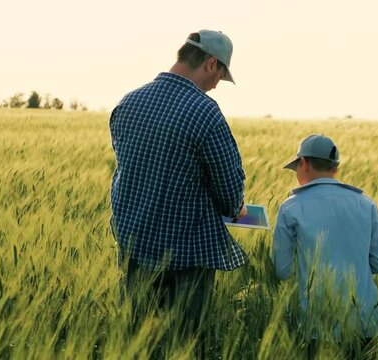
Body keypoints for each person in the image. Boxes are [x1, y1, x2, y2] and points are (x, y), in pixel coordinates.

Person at [109, 30, 247, 350]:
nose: (216, 86)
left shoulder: (127, 103)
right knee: (184, 343)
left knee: (138, 343)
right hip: (186, 255)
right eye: (221, 76)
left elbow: (130, 172)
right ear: (212, 64)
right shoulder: (204, 111)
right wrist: (235, 208)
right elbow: (228, 190)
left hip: (134, 247)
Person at [272, 134, 378, 358]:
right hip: (365, 320)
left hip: (315, 322)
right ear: (335, 168)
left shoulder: (291, 208)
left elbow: (282, 270)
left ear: (304, 163)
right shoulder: (366, 204)